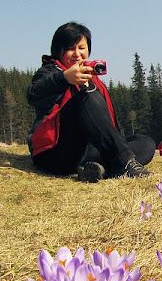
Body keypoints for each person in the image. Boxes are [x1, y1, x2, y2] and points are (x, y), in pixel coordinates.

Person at [27, 22, 154, 182]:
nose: (77, 54)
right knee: (87, 97)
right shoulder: (50, 72)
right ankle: (123, 164)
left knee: (146, 143)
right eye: (70, 48)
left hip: (86, 151)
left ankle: (97, 169)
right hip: (55, 152)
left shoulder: (91, 77)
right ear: (58, 50)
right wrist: (64, 77)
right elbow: (33, 94)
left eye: (81, 47)